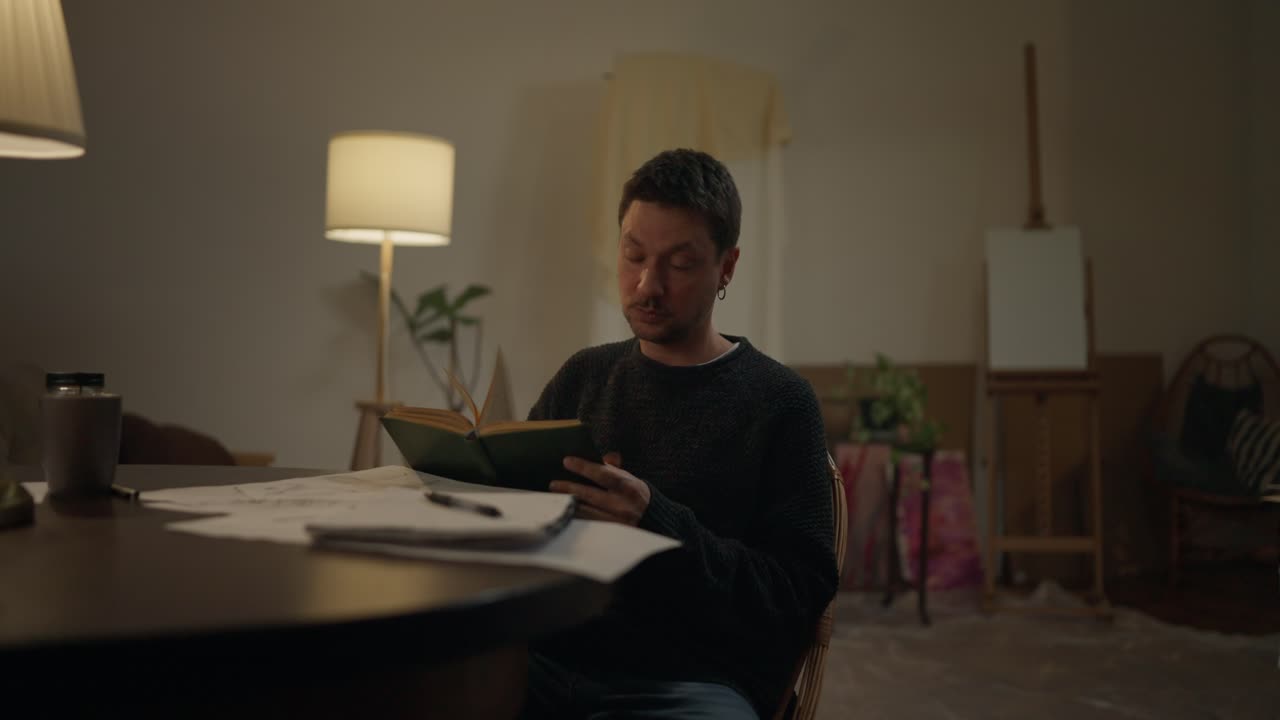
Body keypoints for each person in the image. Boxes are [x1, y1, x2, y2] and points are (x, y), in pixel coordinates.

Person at [522, 148, 838, 720]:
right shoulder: (584, 375)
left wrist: (654, 520)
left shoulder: (780, 402)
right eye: (633, 254)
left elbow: (797, 595)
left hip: (695, 681)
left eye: (680, 263)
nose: (647, 284)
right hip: (550, 661)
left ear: (727, 267)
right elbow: (517, 515)